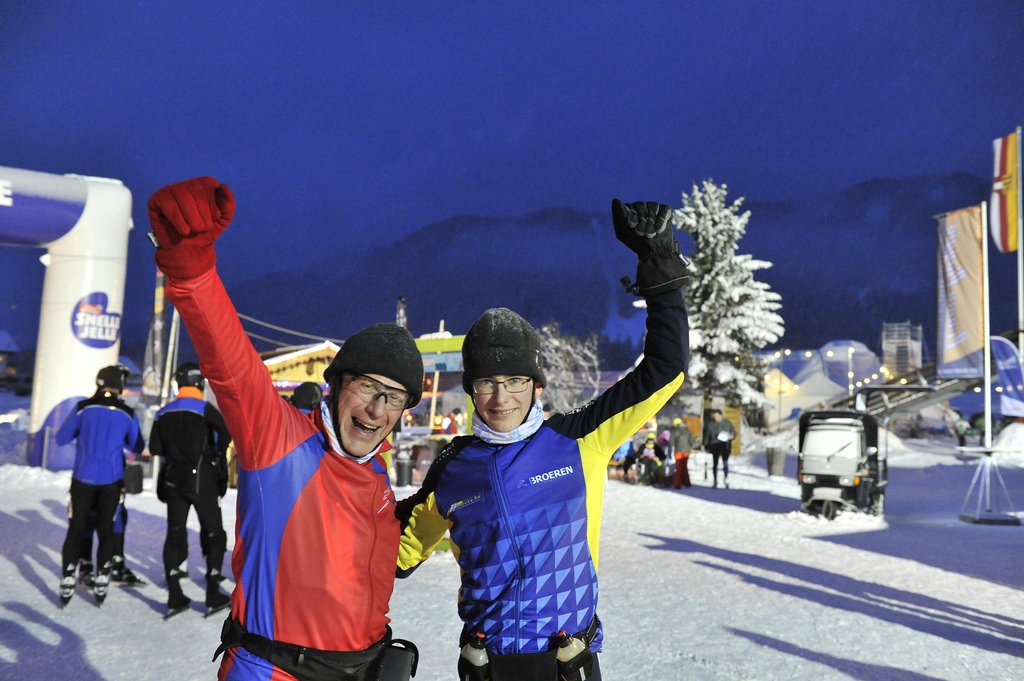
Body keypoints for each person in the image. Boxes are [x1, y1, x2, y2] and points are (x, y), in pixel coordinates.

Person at [396, 199, 689, 681]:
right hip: (486, 670)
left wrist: (658, 261)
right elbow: (393, 553)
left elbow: (665, 368)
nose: (501, 398)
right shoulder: (453, 470)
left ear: (537, 386)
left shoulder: (579, 438)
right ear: (470, 389)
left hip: (565, 666)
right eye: (487, 382)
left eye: (515, 381)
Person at [147, 177, 423, 679]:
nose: (377, 409)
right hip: (275, 670)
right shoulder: (280, 439)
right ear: (335, 385)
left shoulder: (376, 472)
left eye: (395, 398)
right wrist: (191, 267)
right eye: (367, 387)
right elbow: (231, 366)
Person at [149, 362, 233, 617]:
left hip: (174, 480)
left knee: (175, 532)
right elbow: (225, 436)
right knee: (214, 532)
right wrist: (214, 455)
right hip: (202, 479)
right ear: (199, 382)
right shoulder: (206, 409)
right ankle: (212, 591)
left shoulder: (163, 413)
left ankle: (174, 594)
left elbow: (155, 448)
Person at [56, 364, 145, 604]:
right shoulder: (126, 412)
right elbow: (137, 445)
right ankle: (103, 574)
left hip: (82, 478)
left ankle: (68, 576)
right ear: (120, 385)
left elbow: (61, 438)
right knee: (106, 530)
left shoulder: (82, 408)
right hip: (111, 481)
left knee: (76, 528)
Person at [703, 409, 736, 488]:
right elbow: (707, 436)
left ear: (721, 415)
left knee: (725, 463)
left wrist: (731, 436)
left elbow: (734, 433)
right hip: (714, 447)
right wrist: (705, 445)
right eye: (714, 416)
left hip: (725, 446)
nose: (716, 418)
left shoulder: (727, 423)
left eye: (717, 416)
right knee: (715, 464)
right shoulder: (710, 425)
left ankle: (726, 479)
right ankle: (715, 480)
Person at [670, 417, 696, 489]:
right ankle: (687, 482)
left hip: (678, 451)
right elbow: (692, 441)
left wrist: (670, 452)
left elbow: (671, 442)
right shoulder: (687, 430)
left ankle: (677, 484)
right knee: (684, 467)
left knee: (678, 468)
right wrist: (689, 448)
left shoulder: (674, 431)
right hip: (687, 452)